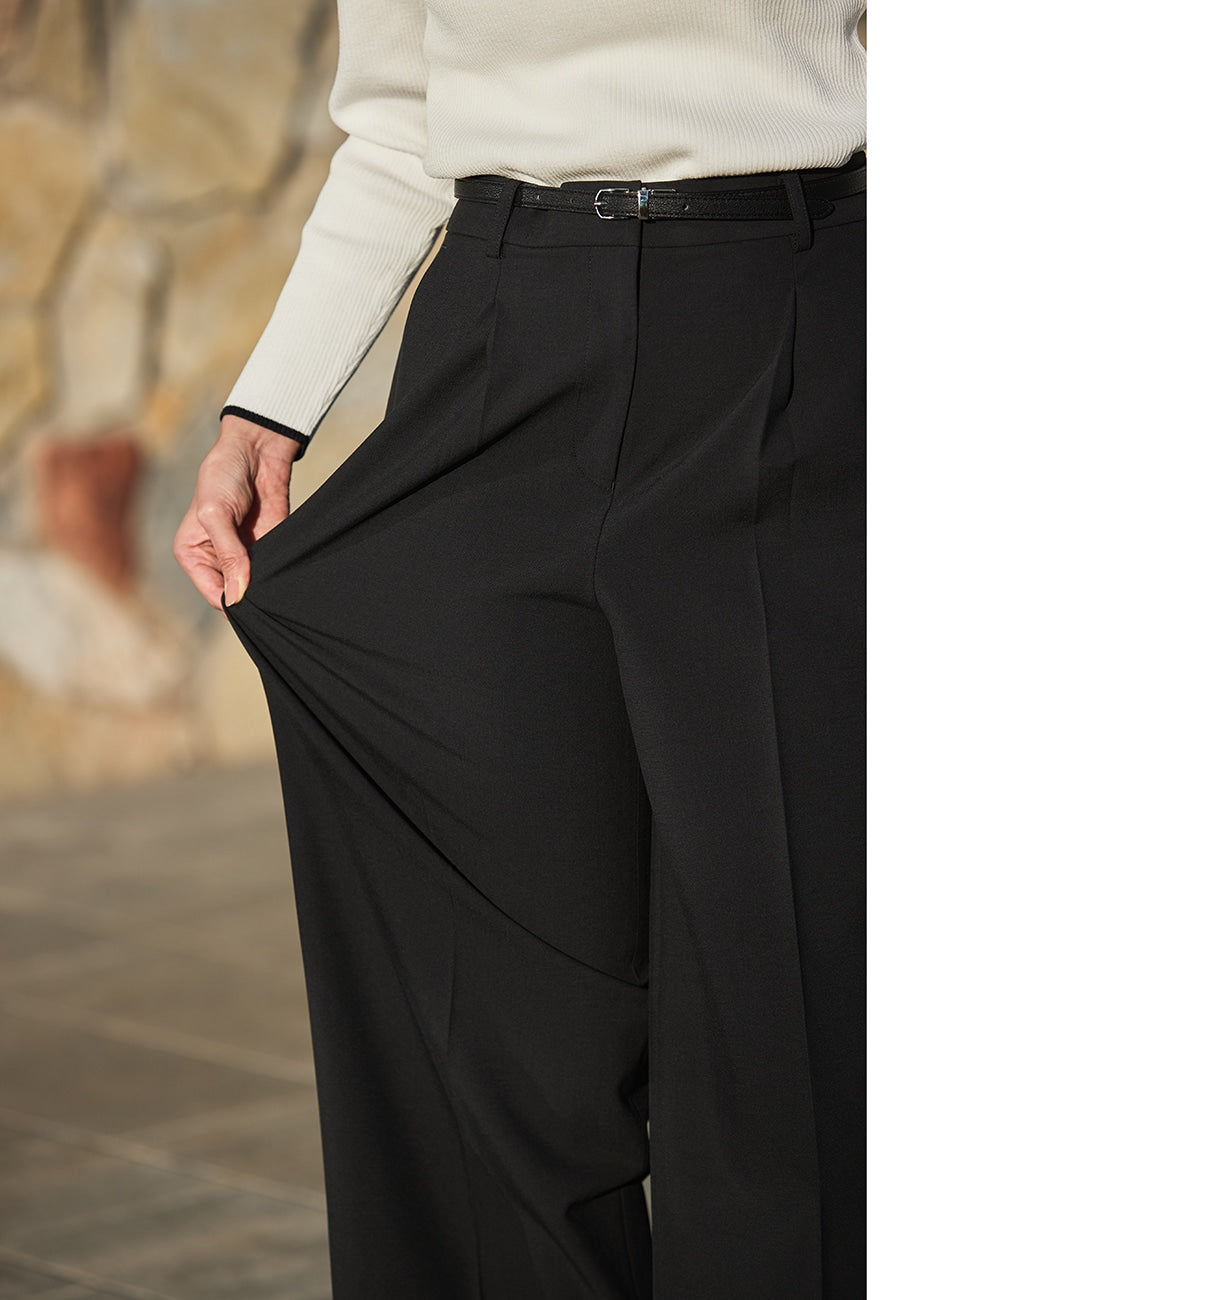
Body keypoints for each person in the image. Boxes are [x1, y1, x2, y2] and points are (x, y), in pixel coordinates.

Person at [173, 2, 865, 1296]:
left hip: (797, 326)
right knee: (487, 1007)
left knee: (794, 997)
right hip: (503, 335)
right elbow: (397, 127)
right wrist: (263, 418)